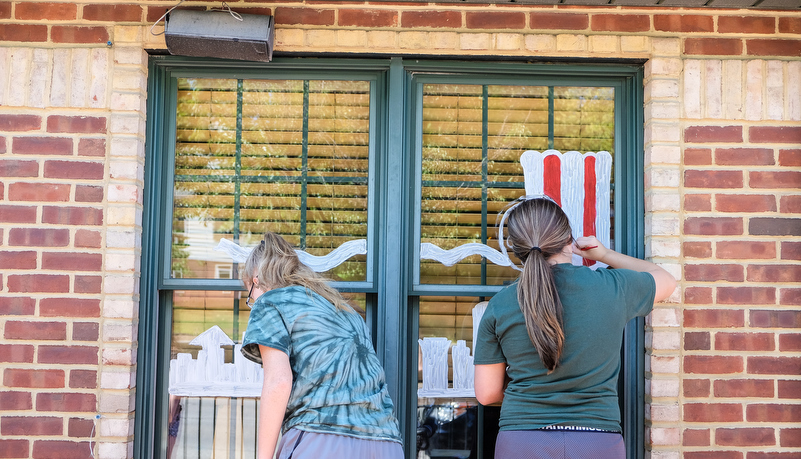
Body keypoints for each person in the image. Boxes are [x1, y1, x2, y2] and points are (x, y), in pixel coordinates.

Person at [474, 196, 676, 459]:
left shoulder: (500, 305)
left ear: (517, 249)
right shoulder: (612, 288)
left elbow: (487, 394)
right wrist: (604, 255)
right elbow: (667, 280)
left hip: (522, 440)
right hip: (597, 441)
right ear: (569, 239)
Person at [239, 232, 404, 459]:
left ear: (256, 281)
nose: (253, 303)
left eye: (250, 296)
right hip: (386, 443)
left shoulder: (270, 301)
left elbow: (278, 382)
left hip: (320, 437)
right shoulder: (345, 311)